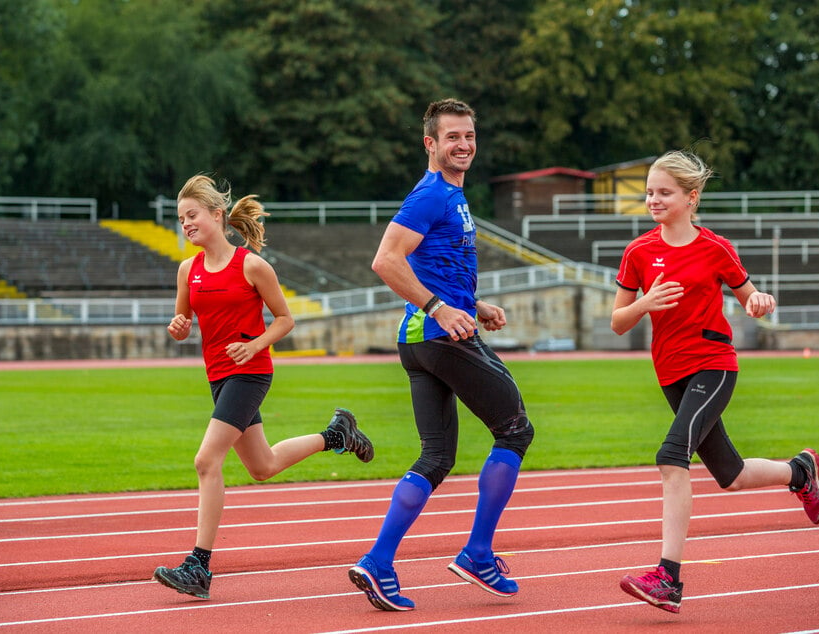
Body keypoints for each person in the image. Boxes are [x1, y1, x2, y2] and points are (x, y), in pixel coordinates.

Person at [610, 150, 819, 614]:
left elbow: (750, 296)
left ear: (691, 198)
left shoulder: (716, 248)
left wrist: (759, 302)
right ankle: (800, 472)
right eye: (649, 192)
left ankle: (667, 577)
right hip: (670, 374)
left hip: (713, 365)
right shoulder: (638, 252)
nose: (653, 199)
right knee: (730, 476)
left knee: (672, 458)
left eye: (664, 192)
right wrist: (645, 302)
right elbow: (618, 322)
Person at [347, 98, 535, 611]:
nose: (464, 145)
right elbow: (385, 260)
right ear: (430, 143)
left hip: (419, 340)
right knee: (516, 430)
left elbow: (437, 267)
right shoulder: (430, 195)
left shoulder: (451, 195)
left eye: (470, 135)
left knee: (437, 457)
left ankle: (378, 563)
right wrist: (440, 309)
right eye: (453, 137)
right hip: (438, 336)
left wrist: (472, 304)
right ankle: (477, 553)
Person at [152, 174, 374, 600]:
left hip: (251, 373)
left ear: (217, 215)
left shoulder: (251, 265)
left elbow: (286, 320)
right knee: (263, 466)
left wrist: (253, 347)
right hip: (217, 376)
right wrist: (178, 327)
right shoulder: (188, 270)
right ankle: (336, 435)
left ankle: (199, 565)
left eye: (192, 215)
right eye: (181, 219)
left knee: (206, 460)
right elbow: (184, 327)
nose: (186, 224)